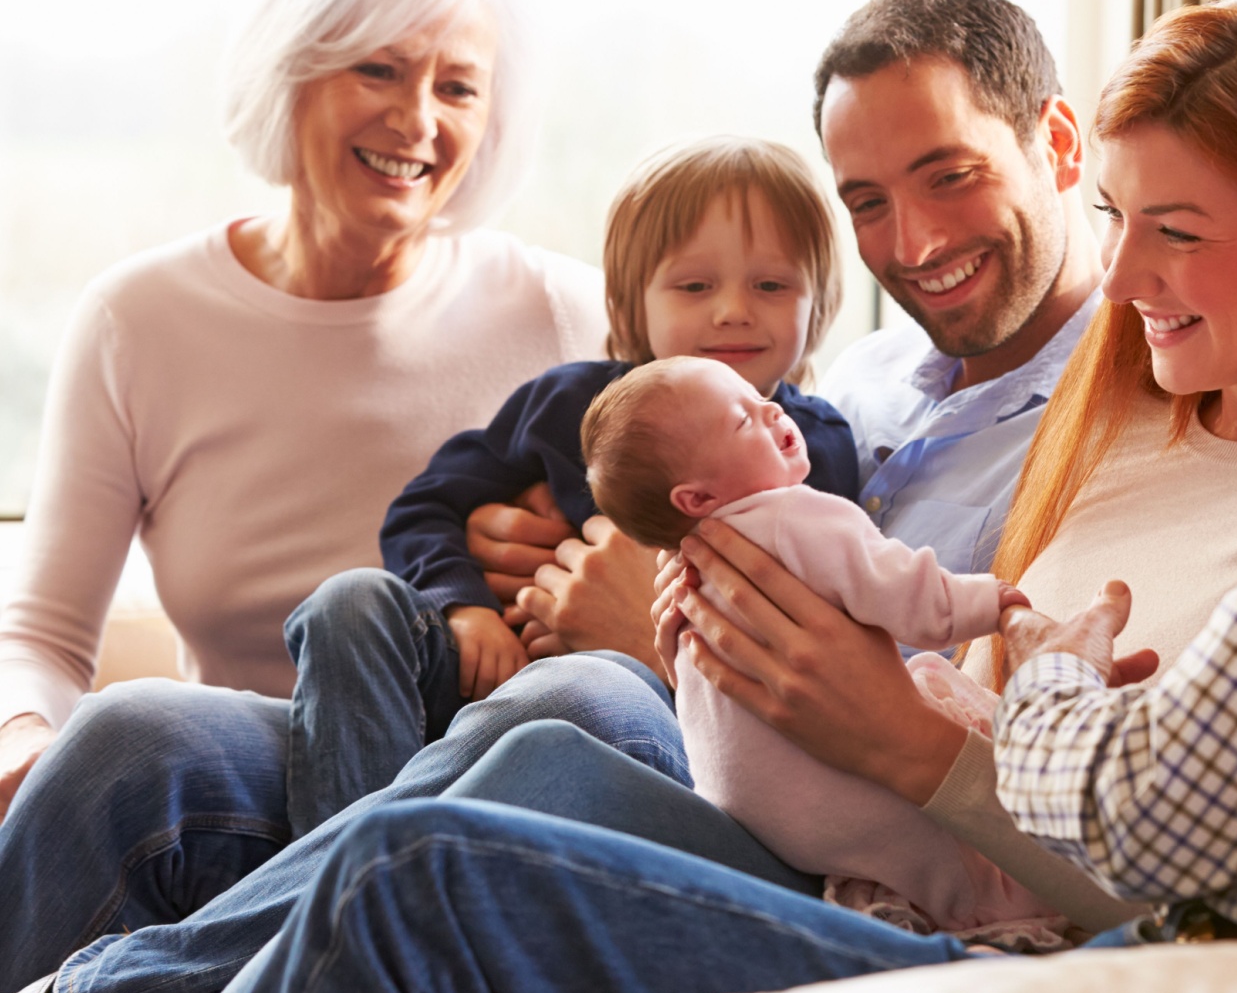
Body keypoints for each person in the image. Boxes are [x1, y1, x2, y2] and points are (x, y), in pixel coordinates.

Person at [173, 0, 1237, 993]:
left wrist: (880, 735)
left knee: (454, 830)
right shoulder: (1108, 417)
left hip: (993, 929)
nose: (1119, 280)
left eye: (1176, 232)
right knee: (194, 745)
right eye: (1121, 225)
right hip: (851, 829)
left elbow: (1214, 912)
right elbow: (949, 650)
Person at [0, 0, 1121, 993]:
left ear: (1062, 148)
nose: (914, 243)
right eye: (868, 201)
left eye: (951, 175)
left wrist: (654, 635)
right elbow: (619, 436)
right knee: (134, 739)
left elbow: (962, 710)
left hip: (781, 787)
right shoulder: (867, 382)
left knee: (568, 700)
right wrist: (486, 556)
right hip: (628, 714)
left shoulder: (1120, 414)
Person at [0, 0, 607, 824]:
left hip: (475, 791)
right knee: (131, 736)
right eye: (380, 70)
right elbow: (43, 633)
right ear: (293, 72)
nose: (418, 119)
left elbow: (678, 559)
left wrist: (576, 562)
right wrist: (23, 740)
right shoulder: (138, 320)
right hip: (224, 796)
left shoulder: (568, 314)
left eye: (458, 87)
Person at [281, 138, 859, 836]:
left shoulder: (814, 445)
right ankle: (337, 856)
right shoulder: (571, 404)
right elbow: (427, 505)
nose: (734, 310)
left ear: (819, 301)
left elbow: (817, 609)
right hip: (479, 668)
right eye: (695, 286)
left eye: (772, 286)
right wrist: (465, 610)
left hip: (633, 716)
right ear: (630, 300)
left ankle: (359, 885)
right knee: (348, 600)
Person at [584, 355, 1048, 936]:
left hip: (745, 812)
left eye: (760, 398)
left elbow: (695, 688)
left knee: (570, 698)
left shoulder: (685, 572)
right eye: (741, 419)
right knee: (939, 847)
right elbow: (909, 596)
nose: (773, 408)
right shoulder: (797, 518)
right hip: (845, 799)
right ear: (696, 499)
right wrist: (993, 603)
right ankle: (983, 912)